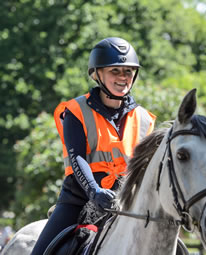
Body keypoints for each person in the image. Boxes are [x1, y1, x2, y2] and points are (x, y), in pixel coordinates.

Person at [31, 37, 156, 255]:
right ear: (97, 74)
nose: (123, 77)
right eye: (115, 70)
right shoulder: (76, 110)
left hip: (128, 203)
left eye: (128, 71)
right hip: (78, 198)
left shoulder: (144, 118)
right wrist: (94, 190)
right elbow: (77, 157)